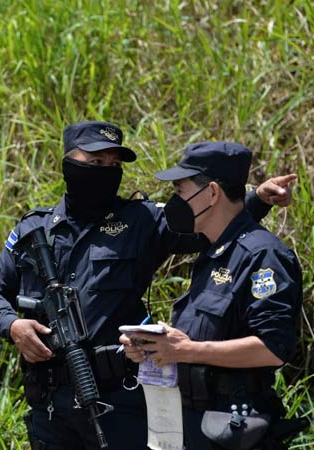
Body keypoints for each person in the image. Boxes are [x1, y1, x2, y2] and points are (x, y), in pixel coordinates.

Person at [0, 121, 295, 450]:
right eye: (96, 161)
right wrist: (13, 326)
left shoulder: (142, 220)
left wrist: (258, 199)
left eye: (113, 164)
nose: (106, 171)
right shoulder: (35, 228)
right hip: (50, 403)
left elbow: (211, 222)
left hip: (119, 400)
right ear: (68, 162)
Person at [120, 142, 303, 449]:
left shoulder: (262, 255)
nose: (174, 202)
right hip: (195, 426)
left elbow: (273, 348)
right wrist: (154, 346)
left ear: (213, 193)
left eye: (180, 191)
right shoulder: (214, 253)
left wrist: (187, 350)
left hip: (236, 428)